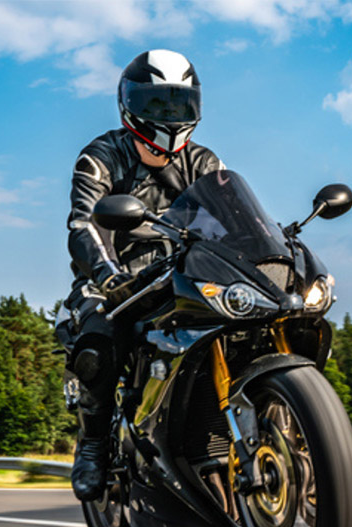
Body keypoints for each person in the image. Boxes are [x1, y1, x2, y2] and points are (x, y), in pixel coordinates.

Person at [62, 49, 225, 501]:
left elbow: (231, 219)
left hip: (183, 273)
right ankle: (92, 443)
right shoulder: (100, 156)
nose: (169, 116)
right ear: (129, 104)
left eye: (179, 104)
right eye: (156, 104)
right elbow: (83, 224)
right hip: (115, 279)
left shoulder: (206, 163)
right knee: (97, 345)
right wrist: (108, 276)